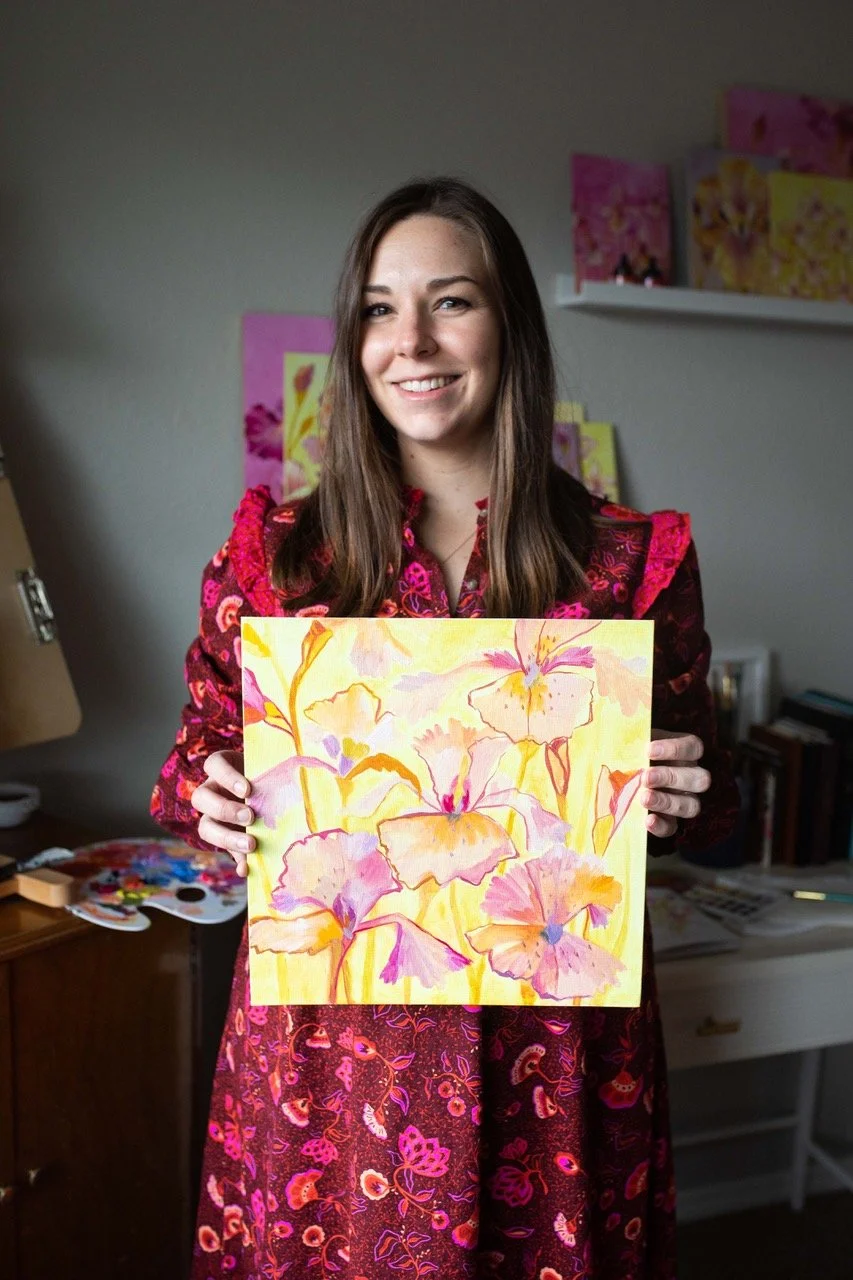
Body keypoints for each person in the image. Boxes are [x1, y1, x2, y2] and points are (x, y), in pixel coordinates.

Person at [152, 177, 738, 1280]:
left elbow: (709, 803)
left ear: (508, 319)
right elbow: (186, 763)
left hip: (555, 1056)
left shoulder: (625, 559)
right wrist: (211, 792)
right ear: (354, 337)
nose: (410, 339)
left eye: (449, 301)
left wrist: (681, 794)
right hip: (332, 1062)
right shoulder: (277, 555)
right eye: (378, 308)